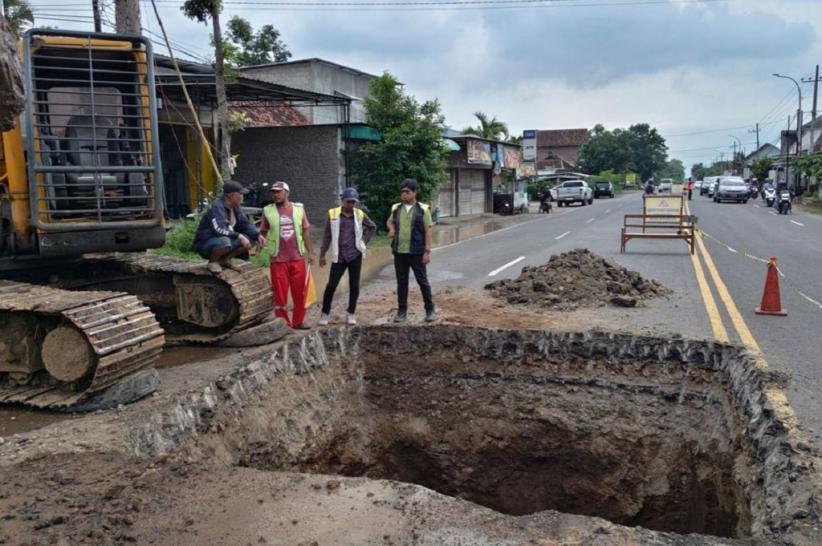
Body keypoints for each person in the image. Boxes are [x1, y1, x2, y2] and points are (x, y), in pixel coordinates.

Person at [317, 188, 377, 326]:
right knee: (331, 285)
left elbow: (372, 227)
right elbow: (327, 236)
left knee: (354, 285)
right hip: (339, 256)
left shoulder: (359, 214)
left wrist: (363, 242)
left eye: (353, 202)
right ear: (342, 201)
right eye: (348, 202)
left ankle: (351, 313)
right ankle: (325, 314)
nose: (351, 205)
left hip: (355, 255)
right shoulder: (333, 214)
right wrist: (322, 254)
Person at [260, 181, 314, 330]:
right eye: (273, 192)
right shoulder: (268, 211)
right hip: (278, 259)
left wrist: (311, 253)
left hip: (297, 258)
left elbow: (306, 231)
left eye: (278, 192)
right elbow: (262, 232)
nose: (275, 195)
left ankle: (299, 321)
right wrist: (257, 248)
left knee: (300, 293)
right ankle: (283, 324)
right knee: (280, 295)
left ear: (287, 193)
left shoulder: (299, 209)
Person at [386, 178, 436, 323]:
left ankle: (430, 310)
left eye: (407, 192)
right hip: (400, 252)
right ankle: (402, 311)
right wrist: (392, 229)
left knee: (422, 281)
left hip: (417, 252)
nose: (404, 194)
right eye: (402, 192)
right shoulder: (396, 208)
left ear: (414, 193)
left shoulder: (423, 209)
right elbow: (390, 221)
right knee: (402, 282)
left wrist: (427, 252)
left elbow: (428, 231)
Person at [192, 180, 265, 274]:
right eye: (240, 194)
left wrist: (257, 235)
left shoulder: (236, 207)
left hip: (225, 240)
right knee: (225, 241)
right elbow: (219, 230)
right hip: (206, 243)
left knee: (250, 239)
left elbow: (245, 224)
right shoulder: (216, 207)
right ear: (231, 195)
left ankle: (224, 260)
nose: (242, 196)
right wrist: (239, 236)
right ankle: (212, 262)